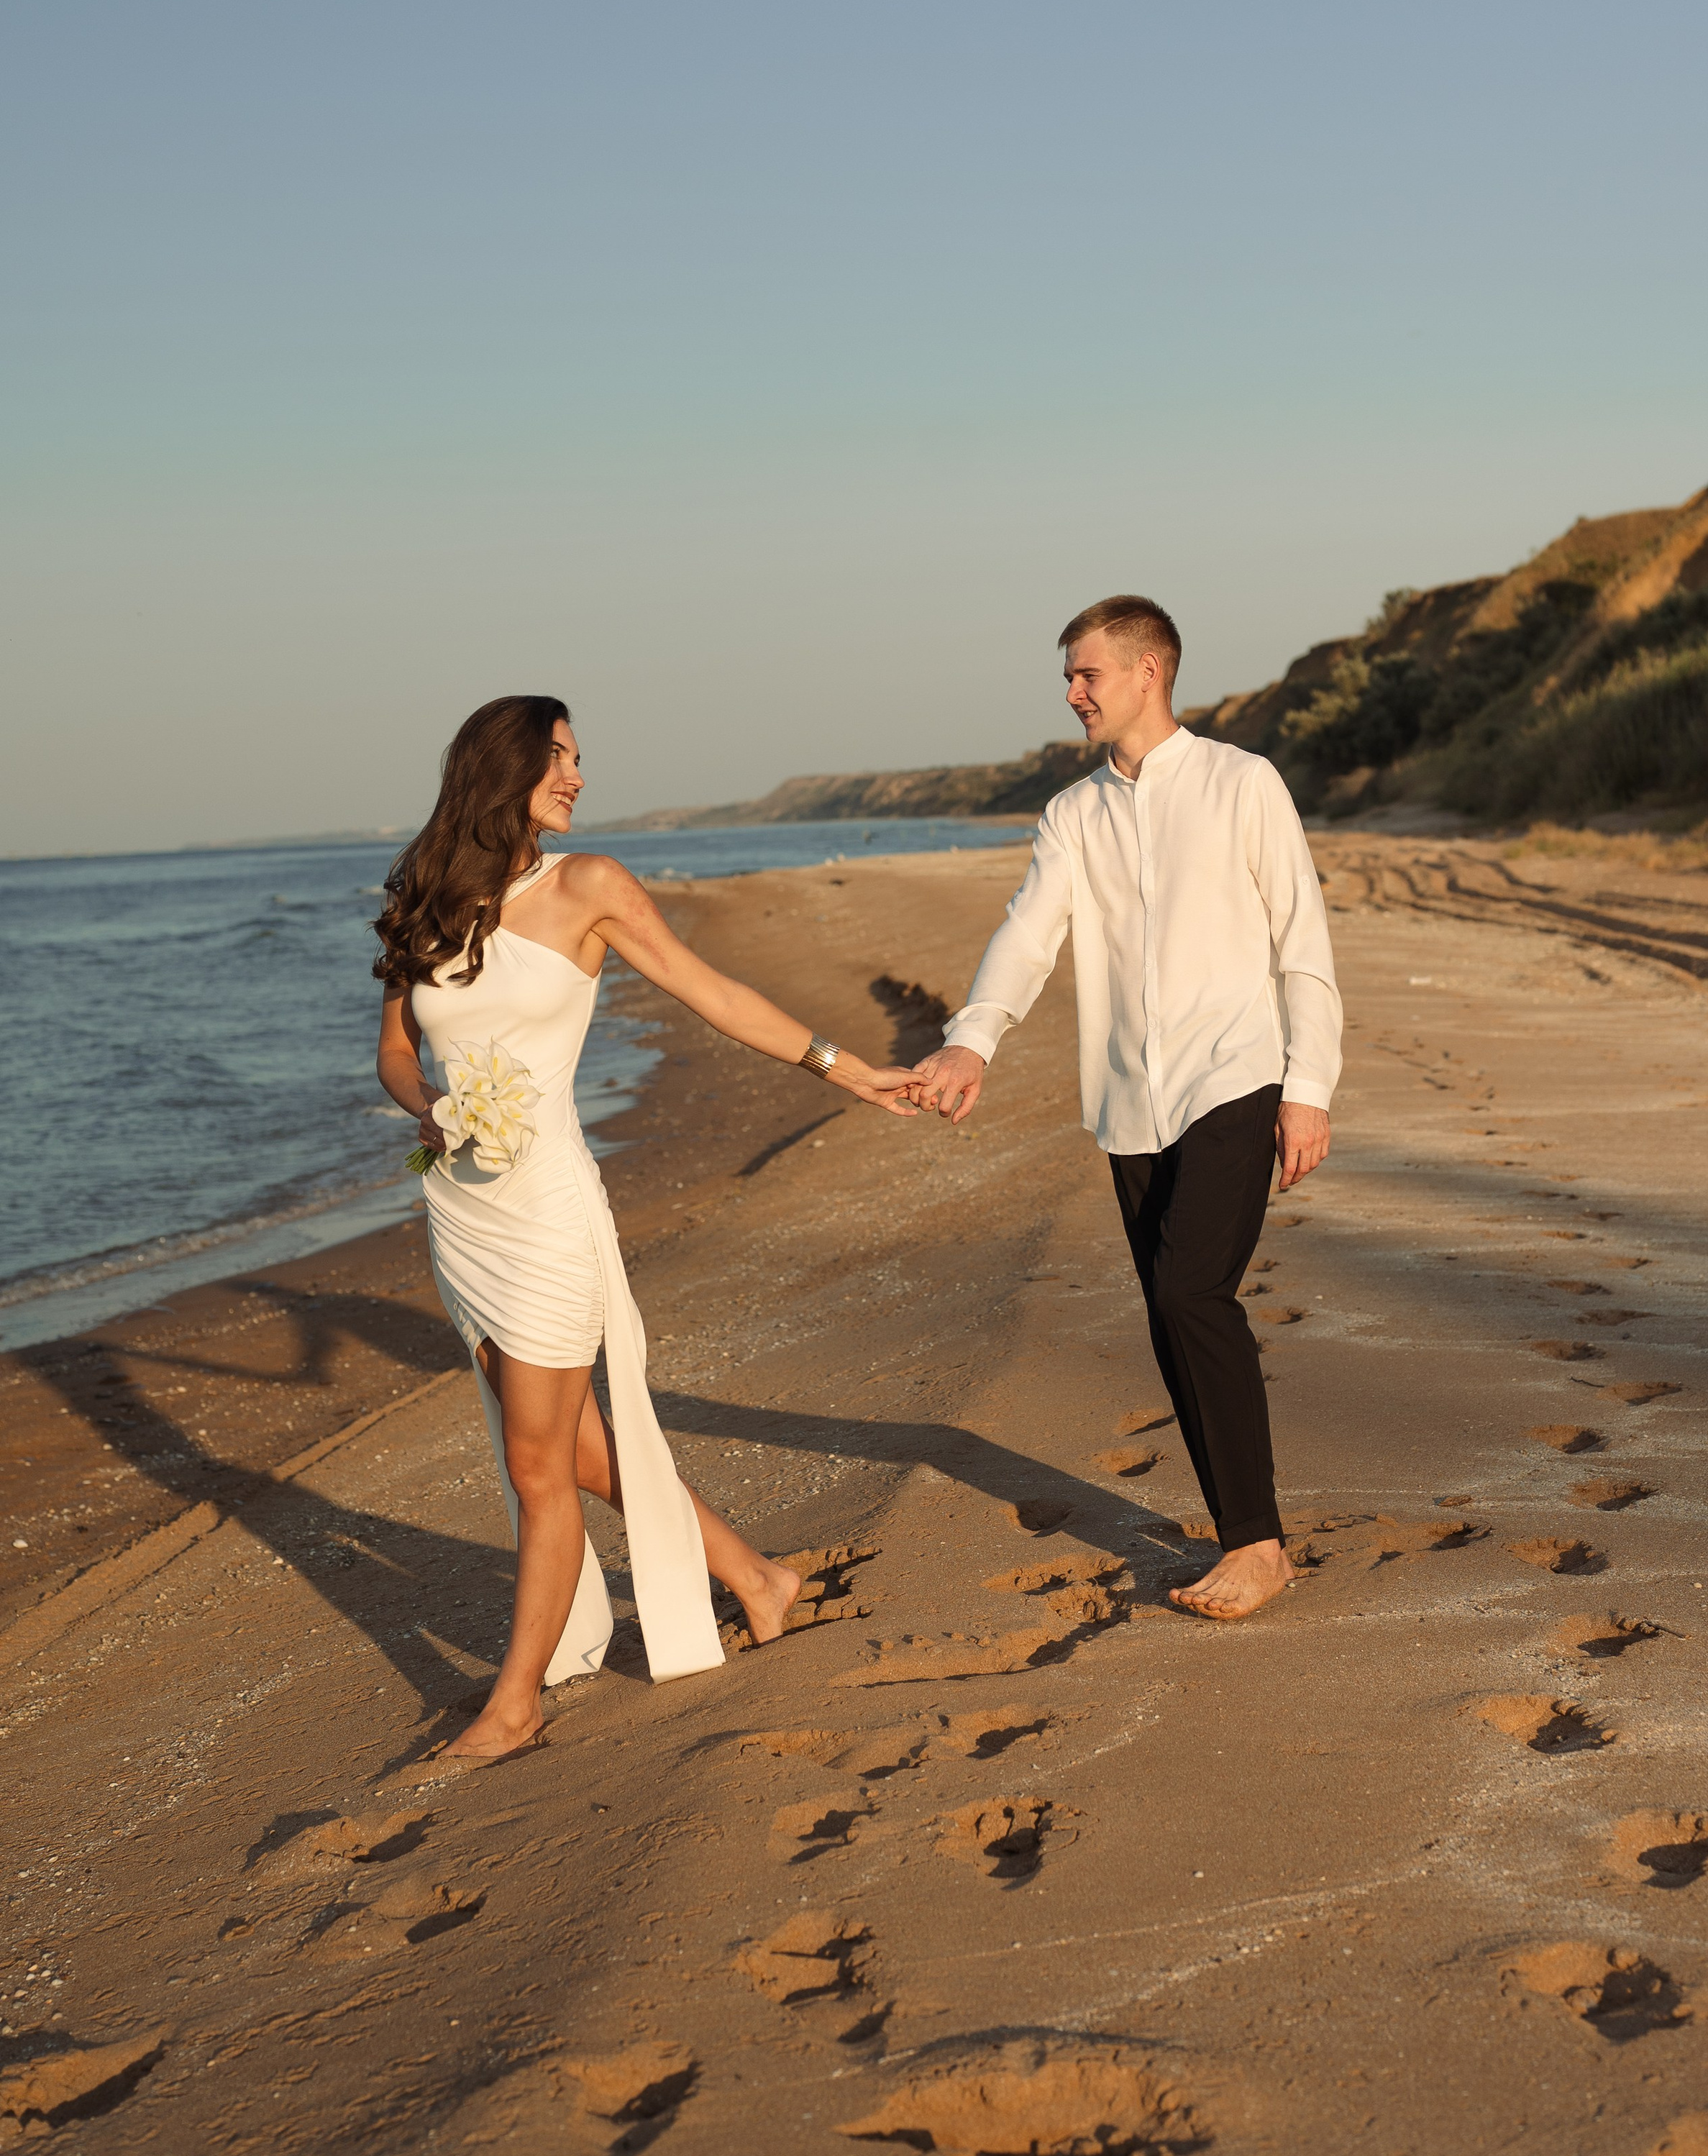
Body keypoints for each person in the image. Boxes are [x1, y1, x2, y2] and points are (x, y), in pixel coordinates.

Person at [373, 695, 917, 1761]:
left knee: (538, 1470)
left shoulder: (589, 887)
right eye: (558, 758)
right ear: (503, 768)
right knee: (573, 1451)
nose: (577, 776)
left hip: (546, 1213)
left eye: (577, 758)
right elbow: (396, 1050)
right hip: (463, 1215)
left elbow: (713, 993)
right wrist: (428, 1106)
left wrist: (845, 1069)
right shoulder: (428, 900)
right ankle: (758, 1579)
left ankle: (516, 1704)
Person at [909, 597, 1341, 1622]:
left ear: (1149, 671)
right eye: (1069, 676)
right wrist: (974, 1038)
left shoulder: (1242, 782)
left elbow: (1302, 941)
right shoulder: (1074, 814)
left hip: (1236, 1074)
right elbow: (1029, 934)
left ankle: (1258, 1545)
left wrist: (1309, 1090)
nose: (1072, 693)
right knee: (1169, 1313)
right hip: (1128, 1099)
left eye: (1086, 673)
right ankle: (1243, 1528)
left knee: (1194, 1294)